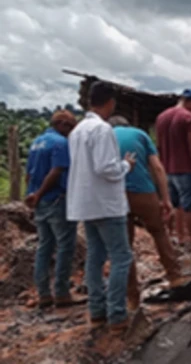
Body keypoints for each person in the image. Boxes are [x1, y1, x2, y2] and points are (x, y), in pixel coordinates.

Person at [67, 81, 136, 334]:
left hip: (85, 203)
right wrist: (126, 165)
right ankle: (117, 314)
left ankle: (96, 311)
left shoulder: (77, 131)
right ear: (111, 103)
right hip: (106, 205)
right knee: (121, 257)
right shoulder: (102, 129)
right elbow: (106, 168)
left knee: (95, 257)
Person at [109, 116, 191, 310]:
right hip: (143, 191)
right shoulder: (140, 134)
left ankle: (133, 298)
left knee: (125, 246)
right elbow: (157, 167)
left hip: (116, 194)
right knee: (159, 232)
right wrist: (165, 199)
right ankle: (175, 276)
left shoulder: (107, 136)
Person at [25, 110, 78, 309]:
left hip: (40, 201)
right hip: (56, 199)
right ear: (62, 124)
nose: (71, 131)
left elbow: (28, 174)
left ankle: (44, 293)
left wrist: (32, 196)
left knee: (45, 246)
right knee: (65, 246)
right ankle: (62, 293)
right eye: (71, 127)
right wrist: (39, 194)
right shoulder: (60, 143)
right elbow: (57, 171)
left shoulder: (37, 142)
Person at [155, 89, 191, 258]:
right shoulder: (189, 118)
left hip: (168, 170)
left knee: (176, 206)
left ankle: (178, 238)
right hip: (186, 169)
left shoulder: (161, 117)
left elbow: (158, 146)